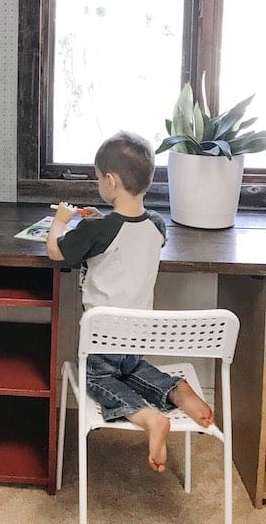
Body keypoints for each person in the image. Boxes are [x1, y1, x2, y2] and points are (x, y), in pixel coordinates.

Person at [46, 130, 214, 473]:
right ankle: (176, 391)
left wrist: (60, 222)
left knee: (97, 380)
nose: (98, 184)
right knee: (131, 369)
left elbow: (55, 251)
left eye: (97, 178)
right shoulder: (157, 224)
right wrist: (97, 221)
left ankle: (148, 417)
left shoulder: (98, 231)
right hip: (138, 333)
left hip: (103, 334)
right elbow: (125, 239)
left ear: (110, 181)